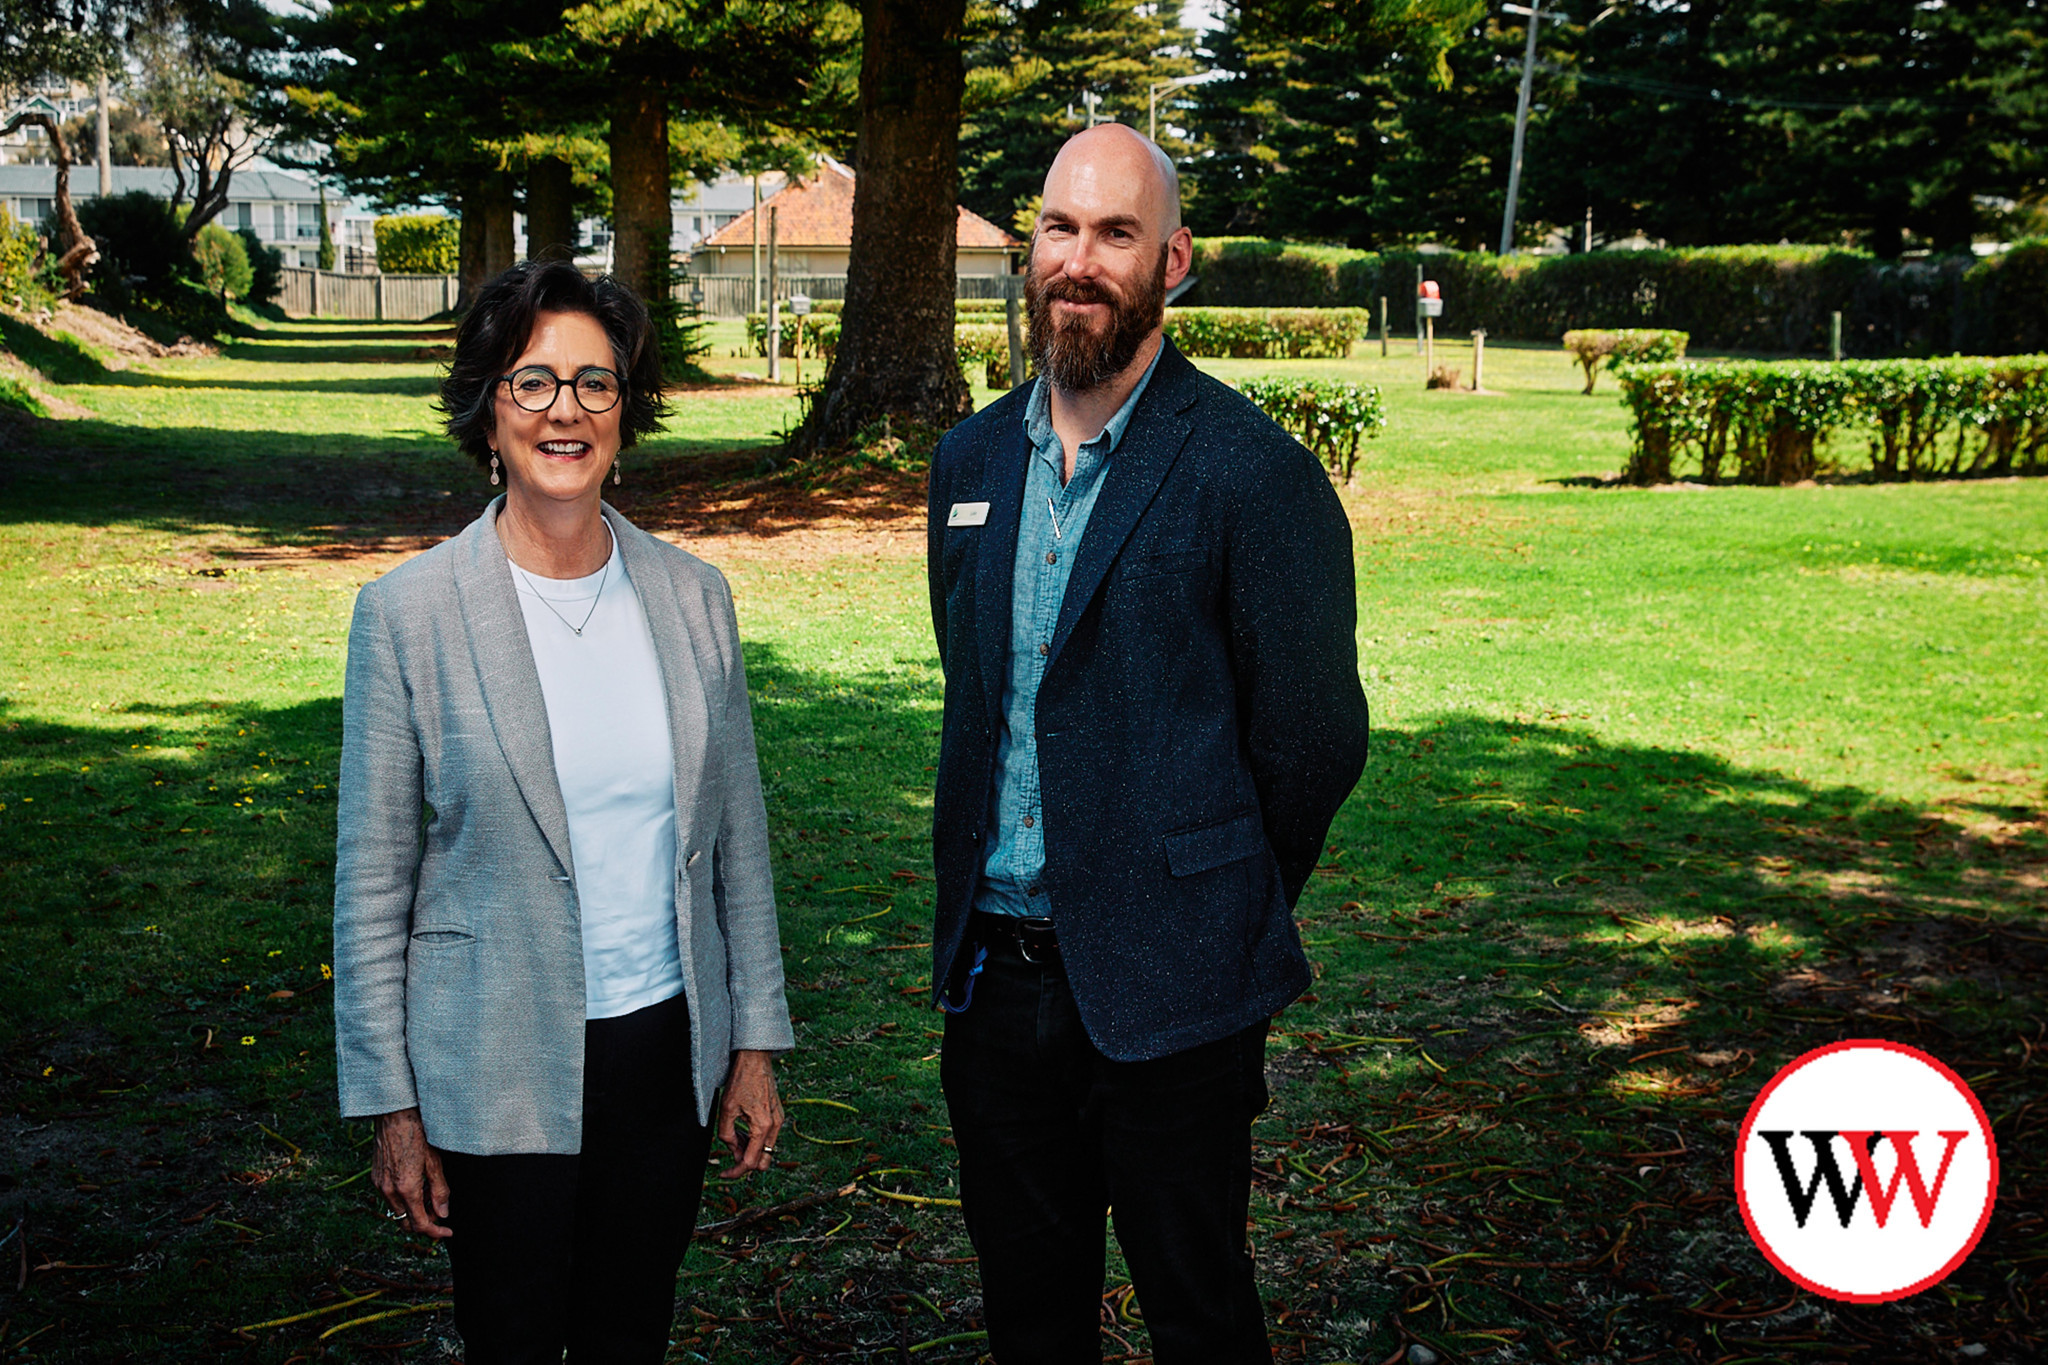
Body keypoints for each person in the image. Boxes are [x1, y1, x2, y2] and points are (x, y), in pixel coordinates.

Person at [924, 124, 1372, 1362]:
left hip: (1177, 995)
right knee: (1028, 1311)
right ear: (1029, 251)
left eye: (1115, 234)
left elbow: (1315, 738)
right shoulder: (967, 463)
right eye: (1060, 230)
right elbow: (979, 694)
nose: (1082, 261)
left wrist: (1213, 894)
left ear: (1172, 261)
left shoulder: (1250, 474)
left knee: (1200, 1312)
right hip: (996, 987)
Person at [333, 259, 792, 1364]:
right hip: (492, 1056)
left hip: (662, 1051)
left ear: (626, 413)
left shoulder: (692, 598)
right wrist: (393, 1107)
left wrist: (755, 1042)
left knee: (628, 1334)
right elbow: (372, 880)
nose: (566, 412)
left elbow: (738, 842)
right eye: (532, 383)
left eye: (596, 384)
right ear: (486, 410)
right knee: (513, 1338)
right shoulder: (408, 616)